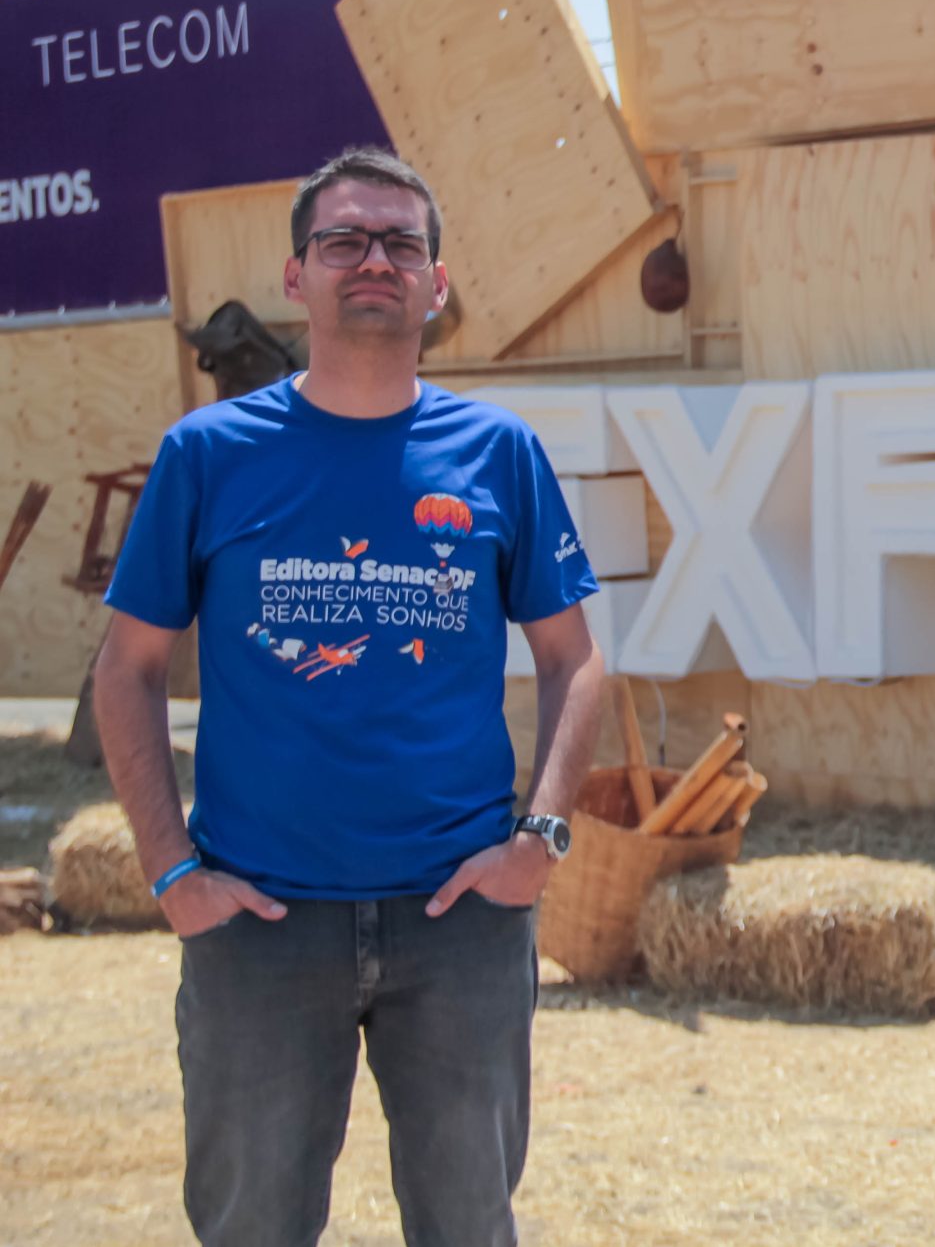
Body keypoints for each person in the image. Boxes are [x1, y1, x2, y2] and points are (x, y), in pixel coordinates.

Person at [92, 145, 614, 1246]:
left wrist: (538, 843)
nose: (374, 260)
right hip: (260, 925)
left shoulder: (499, 454)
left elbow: (575, 659)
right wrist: (171, 870)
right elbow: (126, 669)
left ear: (435, 282)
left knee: (468, 1227)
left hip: (460, 925)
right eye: (343, 240)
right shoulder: (208, 455)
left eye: (400, 244)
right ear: (297, 275)